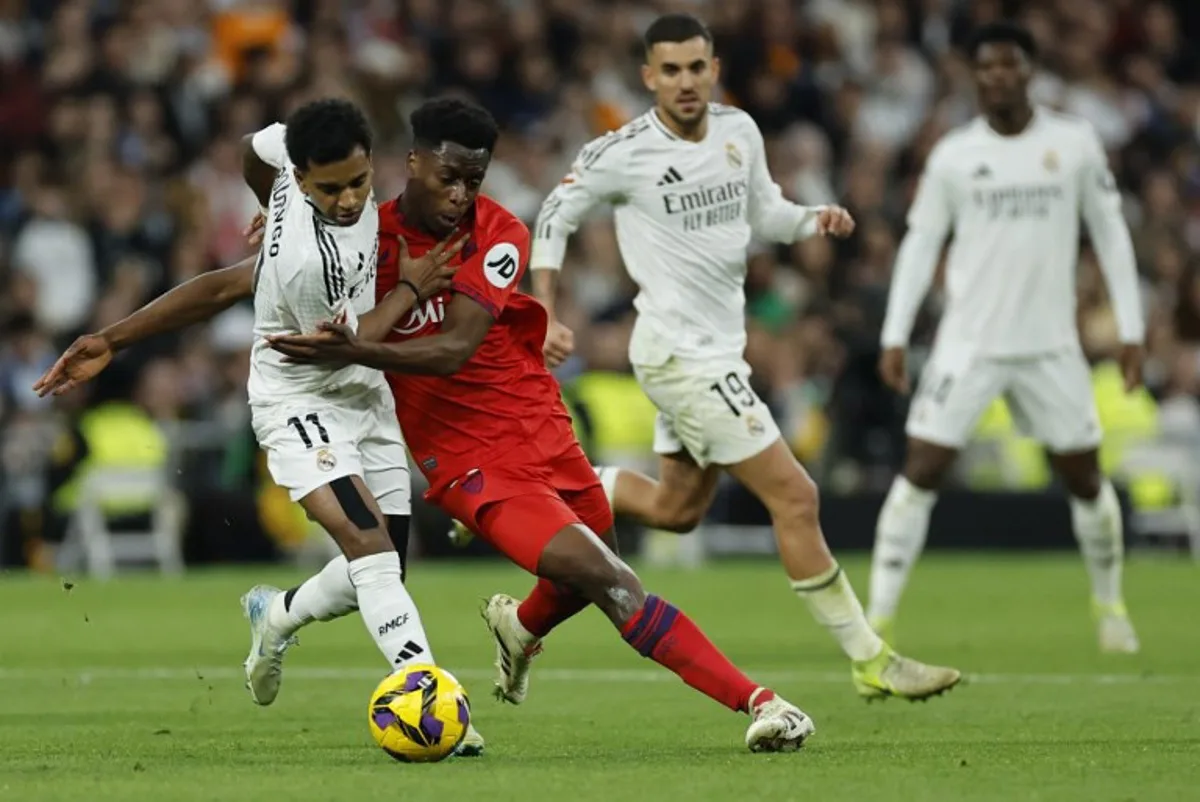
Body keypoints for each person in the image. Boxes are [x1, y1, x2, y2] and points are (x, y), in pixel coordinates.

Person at [266, 96, 815, 752]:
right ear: (412, 163)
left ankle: (520, 630)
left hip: (544, 428)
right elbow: (275, 228)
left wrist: (356, 345)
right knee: (611, 580)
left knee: (583, 574)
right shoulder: (366, 239)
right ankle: (763, 703)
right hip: (474, 463)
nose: (461, 194)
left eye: (475, 179)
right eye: (448, 177)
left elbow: (452, 349)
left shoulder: (499, 234)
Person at [33, 98, 487, 754]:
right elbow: (350, 341)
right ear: (302, 178)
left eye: (358, 181)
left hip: (366, 396)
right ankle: (425, 696)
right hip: (301, 400)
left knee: (384, 568)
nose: (347, 199)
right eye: (327, 189)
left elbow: (253, 153)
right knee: (372, 550)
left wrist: (268, 202)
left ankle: (274, 617)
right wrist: (411, 288)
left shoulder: (289, 159)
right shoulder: (310, 261)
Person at [529, 13, 961, 700]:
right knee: (795, 494)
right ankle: (871, 659)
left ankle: (543, 490)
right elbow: (554, 215)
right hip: (680, 355)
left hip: (716, 350)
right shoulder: (625, 152)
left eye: (696, 67)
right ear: (649, 78)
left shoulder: (739, 132)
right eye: (670, 70)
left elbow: (764, 213)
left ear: (714, 68)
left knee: (676, 508)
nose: (686, 81)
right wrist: (546, 306)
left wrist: (811, 218)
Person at [866, 21, 1143, 653]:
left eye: (1008, 65)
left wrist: (1131, 330)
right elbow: (919, 245)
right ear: (974, 76)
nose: (996, 77)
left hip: (1051, 345)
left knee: (1083, 477)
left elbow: (1111, 235)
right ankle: (877, 620)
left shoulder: (1073, 144)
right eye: (984, 68)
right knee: (921, 469)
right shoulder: (954, 156)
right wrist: (894, 333)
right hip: (969, 343)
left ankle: (1110, 605)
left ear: (1029, 71)